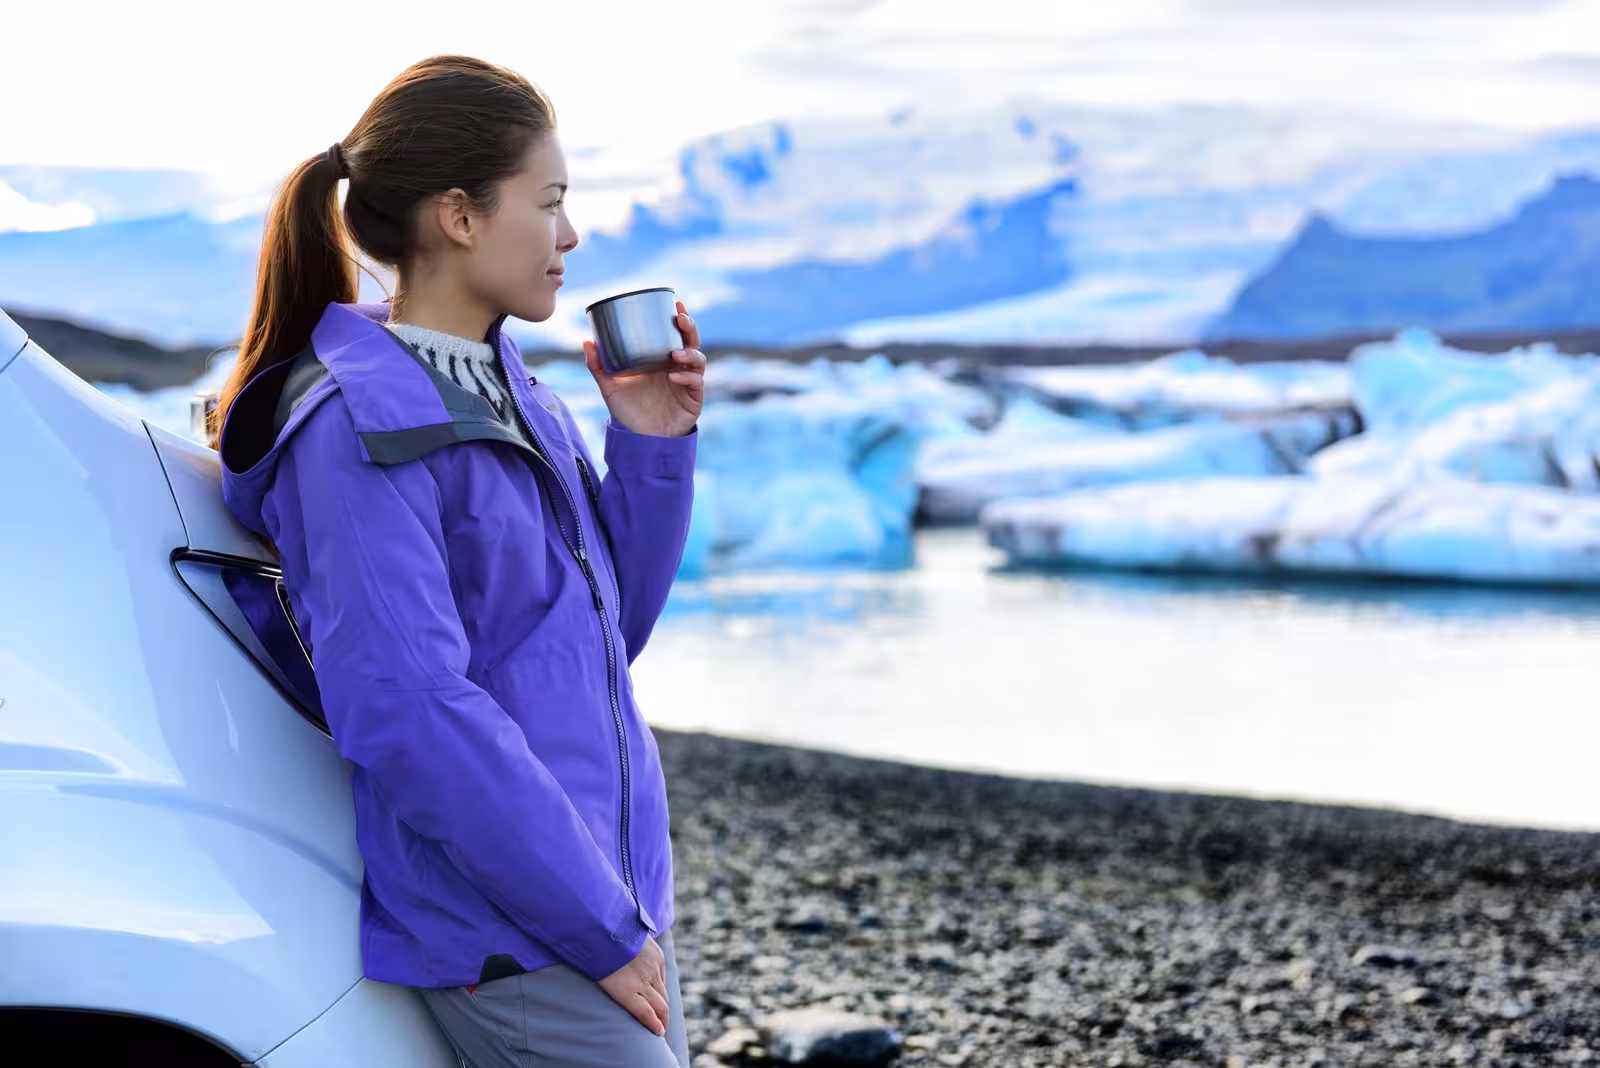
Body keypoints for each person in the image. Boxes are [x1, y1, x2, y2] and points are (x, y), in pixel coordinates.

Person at [212, 55, 704, 1067]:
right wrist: (596, 928)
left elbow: (606, 641)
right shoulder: (357, 424)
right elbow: (409, 705)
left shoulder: (522, 395)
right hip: (514, 930)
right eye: (551, 202)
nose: (569, 237)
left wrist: (651, 445)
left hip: (600, 904)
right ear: (460, 216)